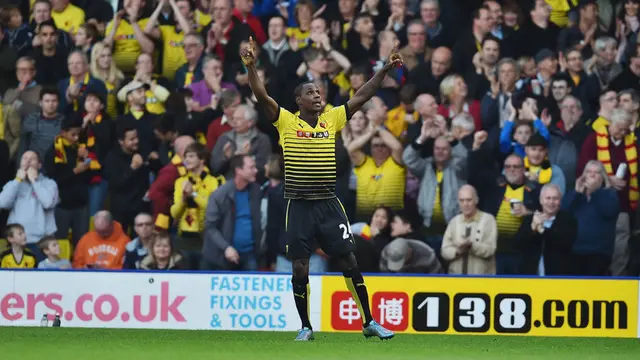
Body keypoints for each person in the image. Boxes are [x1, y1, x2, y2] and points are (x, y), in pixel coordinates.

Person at [243, 35, 401, 341]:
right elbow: (261, 95)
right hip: (299, 204)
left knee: (349, 261)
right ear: (298, 101)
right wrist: (251, 68)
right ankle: (305, 326)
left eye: (318, 92)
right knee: (300, 268)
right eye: (310, 93)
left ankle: (369, 321)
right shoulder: (286, 121)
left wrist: (383, 71)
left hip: (328, 203)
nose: (317, 96)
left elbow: (363, 96)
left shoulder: (332, 119)